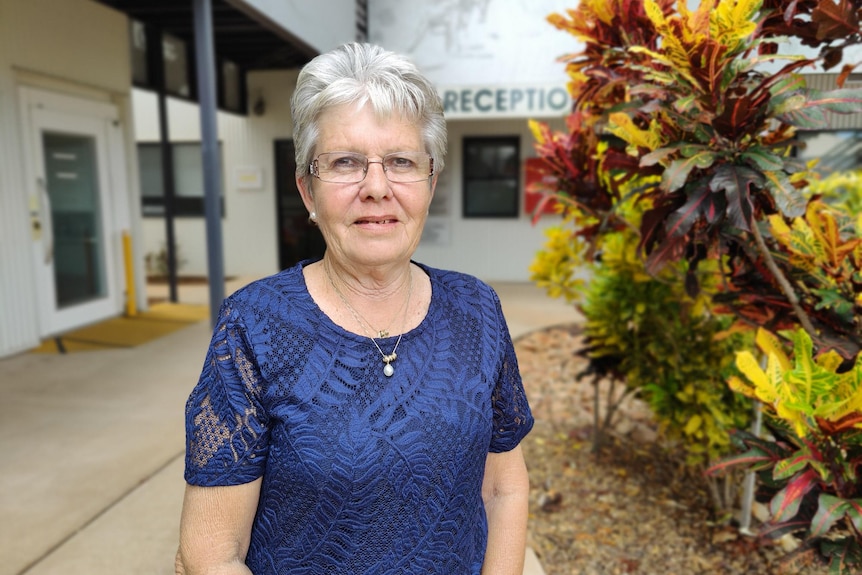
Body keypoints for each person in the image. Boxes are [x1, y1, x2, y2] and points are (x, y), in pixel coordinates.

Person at [175, 42, 534, 575]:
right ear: (307, 191)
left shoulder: (476, 309)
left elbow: (503, 488)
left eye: (401, 162)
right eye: (345, 163)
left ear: (430, 183)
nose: (376, 188)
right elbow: (209, 554)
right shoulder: (254, 325)